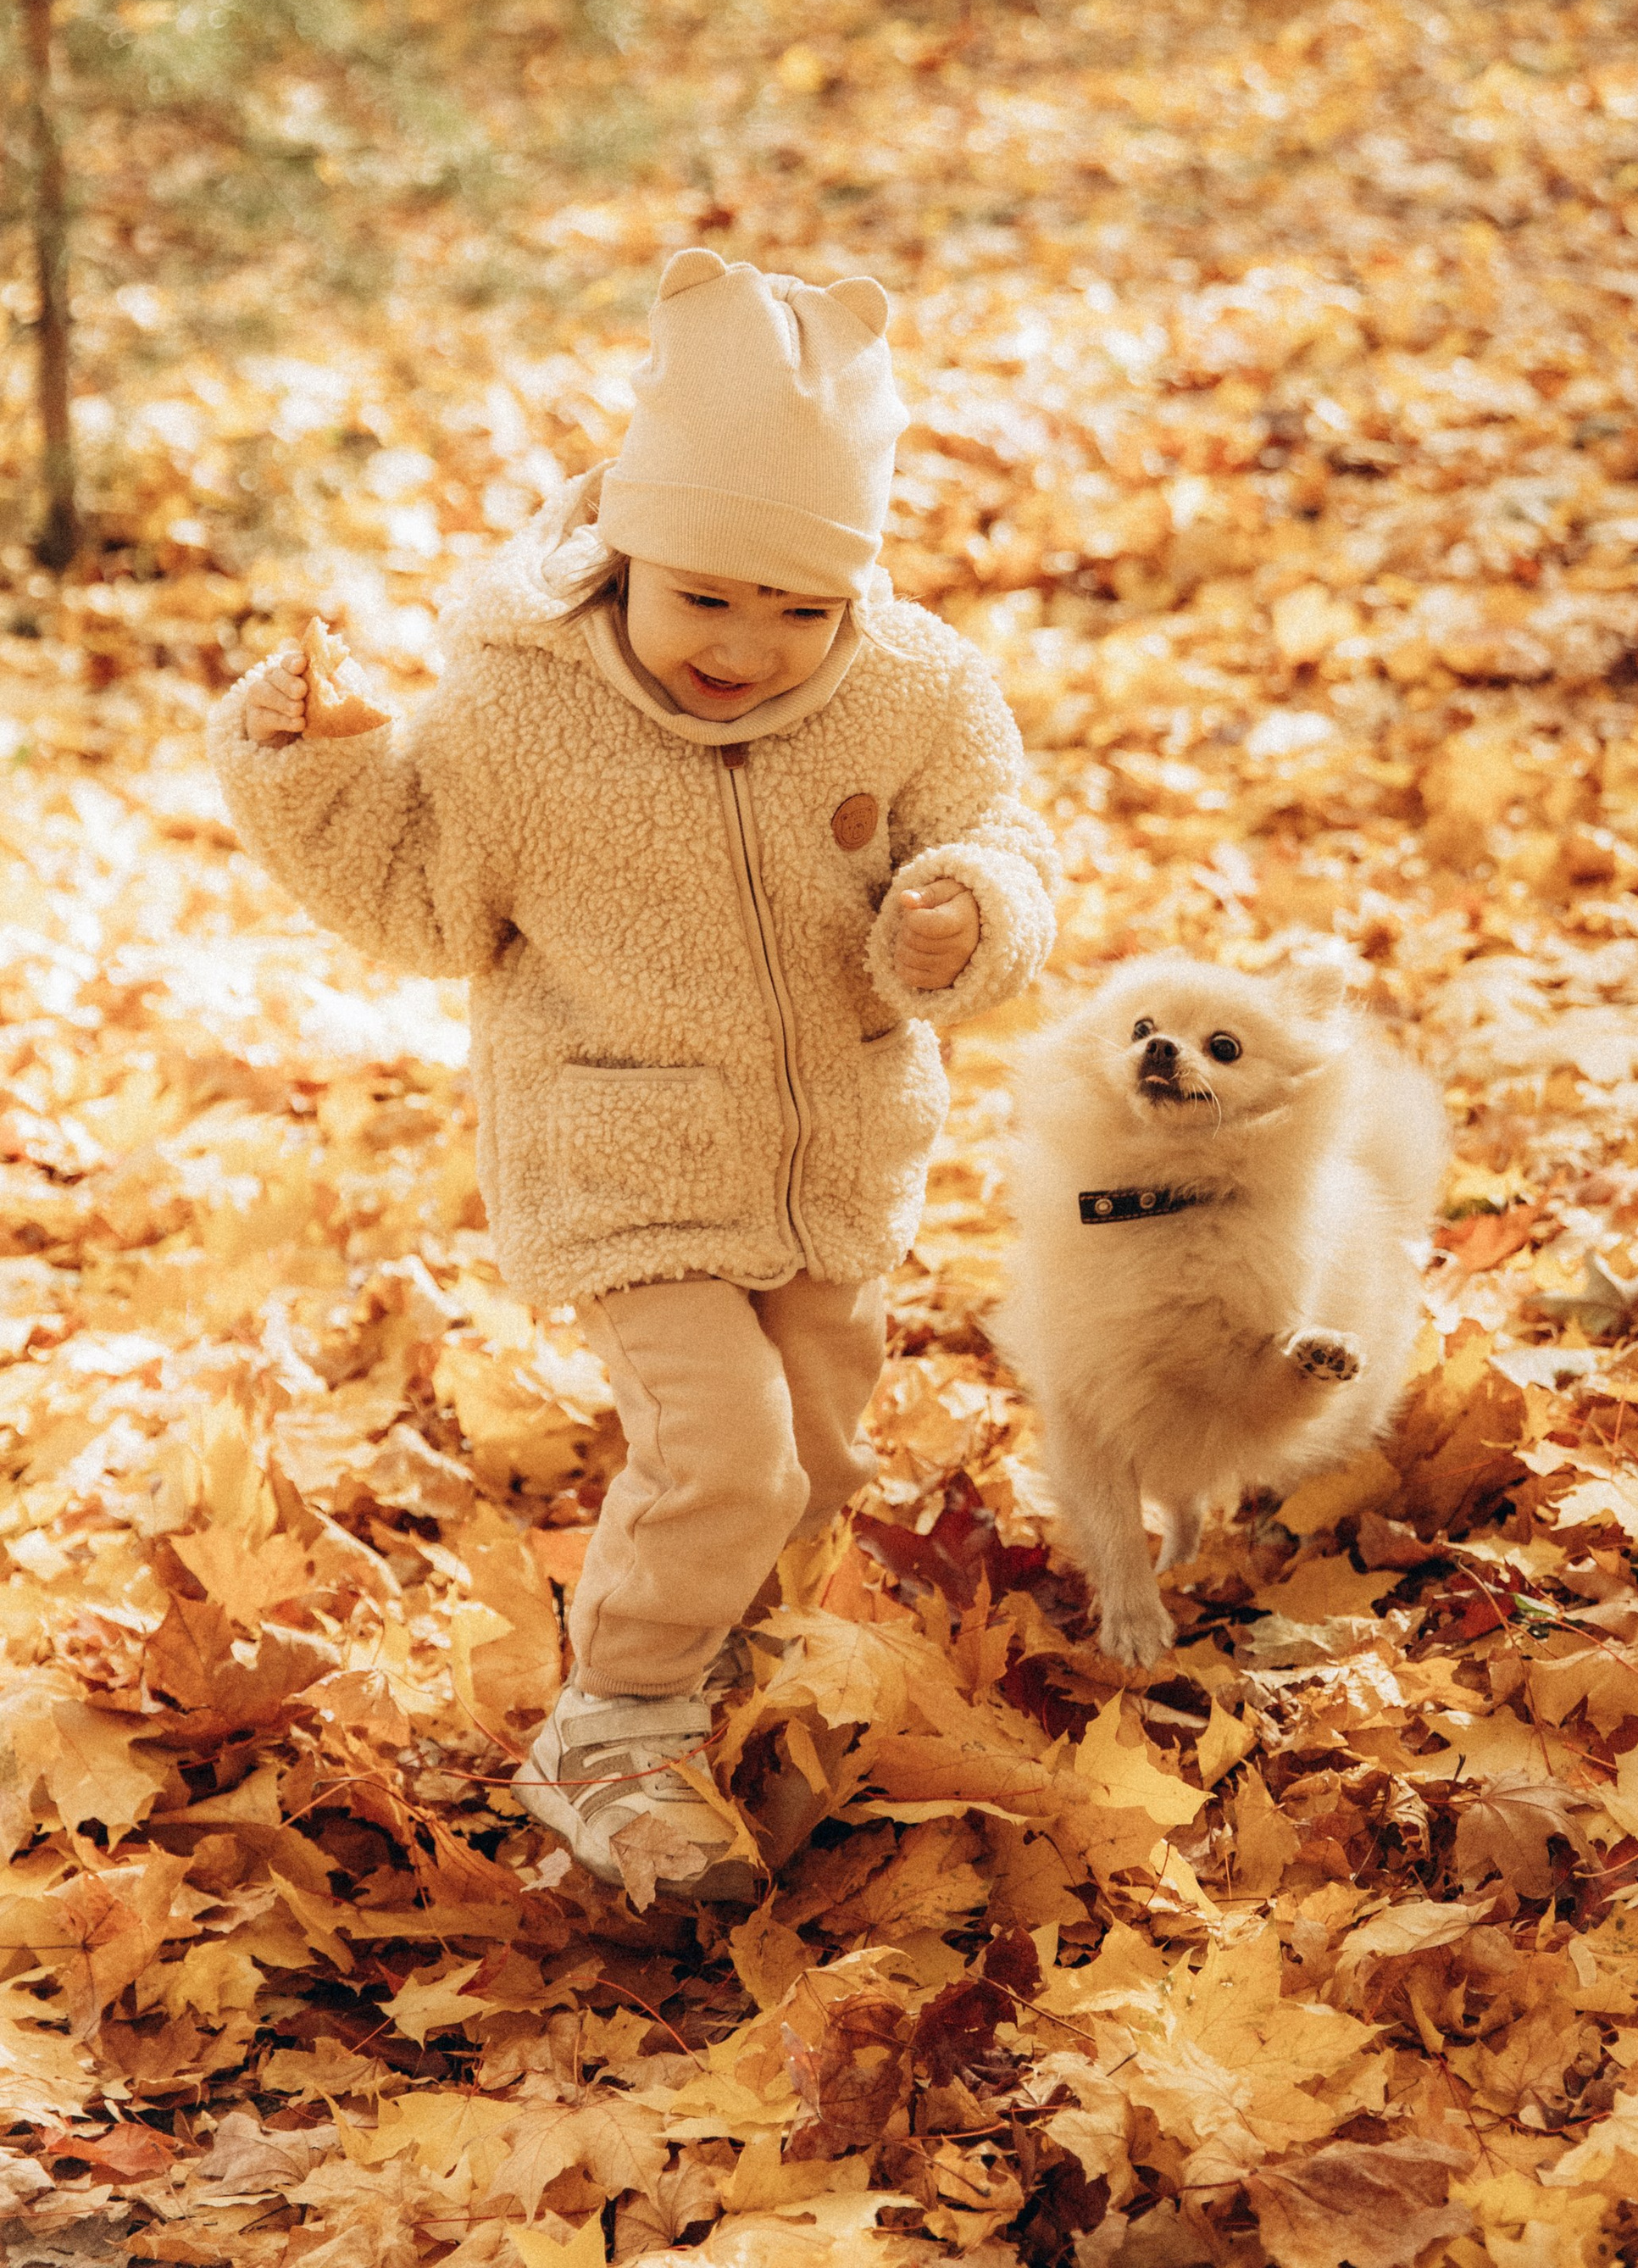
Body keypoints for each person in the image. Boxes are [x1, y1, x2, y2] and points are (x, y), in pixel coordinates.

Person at [214, 253, 1057, 1904]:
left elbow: (996, 836)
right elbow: (418, 888)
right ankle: (613, 1722)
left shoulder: (911, 691)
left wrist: (972, 914)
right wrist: (310, 762)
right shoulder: (521, 709)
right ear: (625, 548)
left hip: (831, 1155)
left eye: (797, 606)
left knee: (818, 1460)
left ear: (854, 594)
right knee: (724, 1446)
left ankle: (729, 1675)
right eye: (706, 597)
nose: (745, 646)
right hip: (622, 1155)